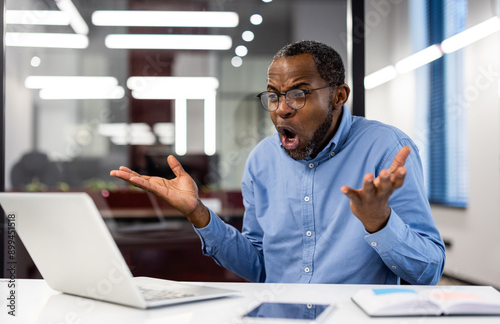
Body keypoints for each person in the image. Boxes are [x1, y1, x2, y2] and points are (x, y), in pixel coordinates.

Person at [111, 40, 445, 285]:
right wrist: (198, 213)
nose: (281, 109)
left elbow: (428, 271)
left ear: (338, 96)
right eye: (273, 95)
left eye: (299, 93)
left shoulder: (386, 149)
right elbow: (258, 266)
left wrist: (379, 222)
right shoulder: (262, 161)